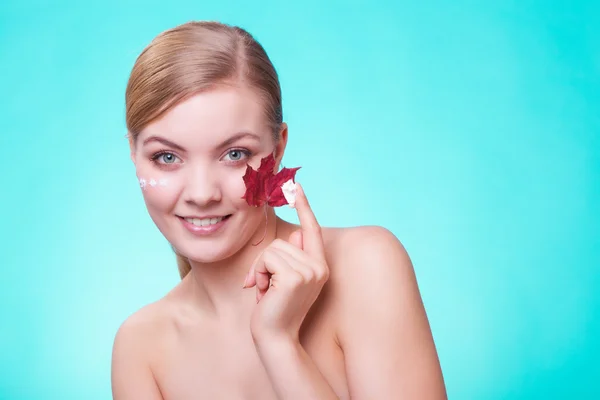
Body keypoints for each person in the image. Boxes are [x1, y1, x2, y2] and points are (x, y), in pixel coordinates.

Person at [111, 20, 447, 399]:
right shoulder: (140, 348)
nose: (202, 193)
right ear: (133, 156)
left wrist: (279, 343)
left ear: (278, 148)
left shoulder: (366, 266)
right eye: (167, 156)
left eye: (235, 154)